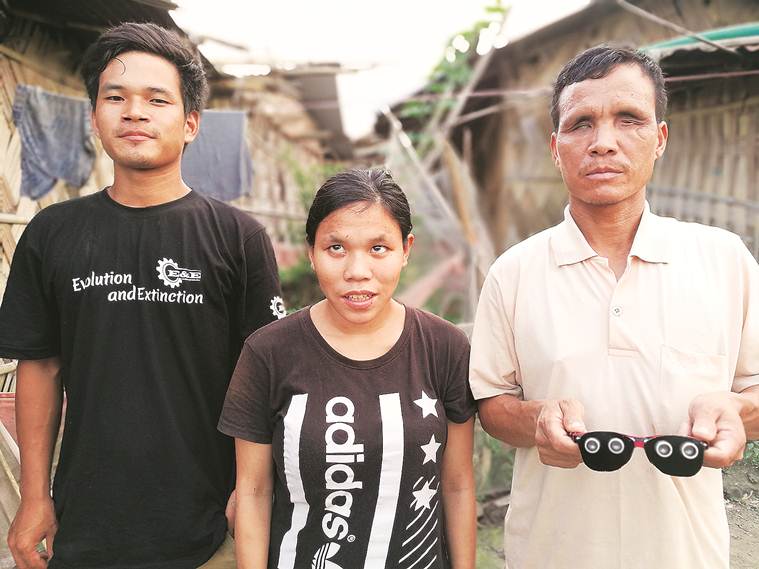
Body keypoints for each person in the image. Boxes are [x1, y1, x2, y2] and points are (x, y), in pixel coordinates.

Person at [0, 22, 284, 569]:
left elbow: (267, 379)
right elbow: (40, 367)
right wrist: (36, 497)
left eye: (157, 99)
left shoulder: (237, 237)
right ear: (93, 119)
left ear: (191, 124)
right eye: (116, 98)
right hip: (87, 528)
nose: (135, 112)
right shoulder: (52, 234)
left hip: (211, 529)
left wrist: (249, 493)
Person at [469, 45, 759, 569]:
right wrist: (535, 419)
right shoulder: (513, 273)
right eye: (581, 123)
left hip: (687, 555)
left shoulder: (725, 260)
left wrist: (736, 411)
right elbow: (492, 405)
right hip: (549, 554)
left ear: (660, 139)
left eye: (629, 119)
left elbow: (754, 391)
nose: (603, 143)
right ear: (556, 147)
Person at [218, 168, 476, 569]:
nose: (357, 271)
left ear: (406, 249)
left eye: (378, 248)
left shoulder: (444, 348)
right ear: (311, 252)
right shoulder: (268, 352)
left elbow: (456, 484)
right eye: (336, 248)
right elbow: (252, 492)